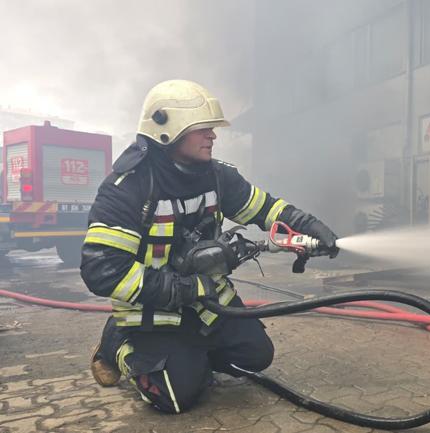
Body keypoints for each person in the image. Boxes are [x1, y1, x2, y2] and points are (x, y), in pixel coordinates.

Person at [81, 79, 338, 414]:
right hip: (153, 312)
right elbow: (102, 271)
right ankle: (118, 344)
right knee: (175, 397)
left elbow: (265, 208)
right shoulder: (127, 190)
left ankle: (187, 358)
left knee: (256, 356)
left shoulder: (216, 177)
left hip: (208, 301)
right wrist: (183, 288)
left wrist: (307, 224)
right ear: (168, 130)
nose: (213, 136)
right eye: (203, 129)